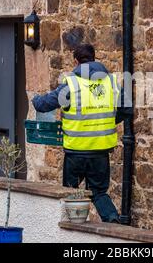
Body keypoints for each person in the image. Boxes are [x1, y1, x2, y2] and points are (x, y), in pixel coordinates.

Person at [32, 44, 130, 223]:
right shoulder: (110, 82)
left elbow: (43, 105)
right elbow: (127, 109)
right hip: (100, 151)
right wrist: (106, 121)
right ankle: (113, 221)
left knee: (70, 193)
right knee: (99, 193)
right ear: (94, 58)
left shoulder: (72, 84)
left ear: (75, 61)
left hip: (75, 152)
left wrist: (35, 99)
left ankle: (71, 232)